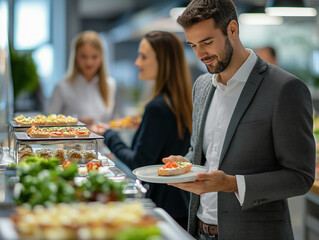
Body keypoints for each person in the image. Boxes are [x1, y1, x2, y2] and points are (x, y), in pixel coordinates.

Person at [163, 0, 316, 239]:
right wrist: (183, 165)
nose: (200, 54)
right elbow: (201, 153)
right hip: (200, 231)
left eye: (207, 42)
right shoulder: (202, 86)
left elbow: (300, 177)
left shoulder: (285, 88)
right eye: (193, 45)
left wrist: (231, 184)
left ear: (232, 29)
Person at [91, 31, 193, 229]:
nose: (137, 62)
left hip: (162, 206)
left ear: (163, 62)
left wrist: (109, 134)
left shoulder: (157, 107)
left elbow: (139, 163)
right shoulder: (180, 101)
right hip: (181, 204)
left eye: (144, 56)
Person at [48, 30, 116, 126]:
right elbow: (48, 123)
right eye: (84, 56)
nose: (89, 62)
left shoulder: (110, 85)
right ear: (76, 56)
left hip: (101, 141)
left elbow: (110, 121)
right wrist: (75, 121)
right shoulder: (62, 87)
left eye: (94, 56)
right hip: (72, 140)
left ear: (101, 57)